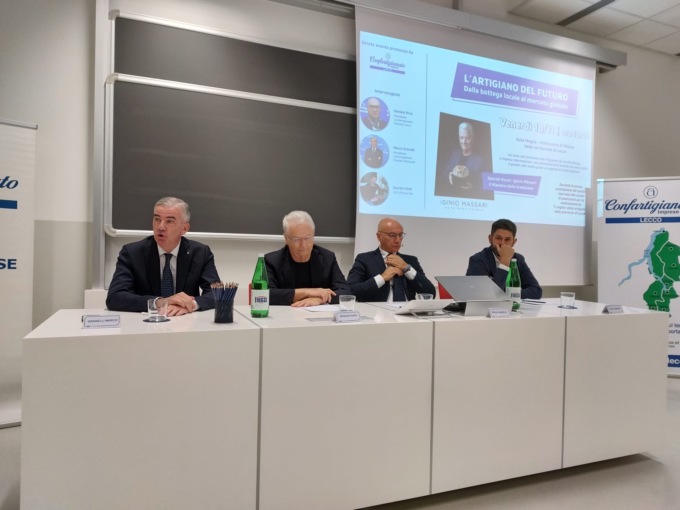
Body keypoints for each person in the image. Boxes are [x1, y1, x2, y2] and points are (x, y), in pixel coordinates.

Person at [106, 197, 220, 315]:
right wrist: (161, 302)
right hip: (145, 322)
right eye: (157, 219)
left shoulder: (200, 253)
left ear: (184, 228)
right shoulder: (132, 253)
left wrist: (190, 305)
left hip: (185, 321)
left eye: (169, 221)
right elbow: (115, 297)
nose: (160, 227)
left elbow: (217, 293)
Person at [265, 210, 351, 307]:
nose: (303, 245)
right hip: (285, 314)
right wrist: (307, 292)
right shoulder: (272, 261)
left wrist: (319, 299)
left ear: (313, 235)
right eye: (296, 239)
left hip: (319, 315)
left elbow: (345, 291)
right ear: (286, 239)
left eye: (307, 238)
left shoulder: (327, 258)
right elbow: (266, 294)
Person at [347, 218, 436, 302]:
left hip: (407, 311)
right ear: (379, 236)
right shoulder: (364, 259)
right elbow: (351, 290)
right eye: (392, 235)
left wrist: (407, 268)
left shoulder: (411, 260)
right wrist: (382, 278)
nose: (397, 240)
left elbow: (431, 293)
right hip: (378, 311)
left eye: (400, 235)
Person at [466, 218, 542, 299]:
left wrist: (506, 295)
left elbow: (536, 291)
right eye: (498, 238)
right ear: (490, 239)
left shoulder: (518, 259)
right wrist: (505, 262)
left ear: (514, 242)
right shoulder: (478, 260)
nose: (502, 243)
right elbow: (487, 296)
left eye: (507, 240)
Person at [435, 121, 492, 200]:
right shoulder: (454, 154)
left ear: (472, 138)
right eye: (461, 138)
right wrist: (449, 176)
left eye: (467, 138)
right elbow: (445, 172)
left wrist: (473, 188)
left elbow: (486, 185)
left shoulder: (479, 161)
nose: (464, 142)